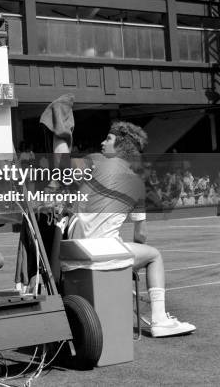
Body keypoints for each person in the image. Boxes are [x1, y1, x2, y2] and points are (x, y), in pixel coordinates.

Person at [68, 121, 196, 338]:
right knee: (154, 256)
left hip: (72, 253)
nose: (102, 141)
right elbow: (141, 235)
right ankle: (159, 319)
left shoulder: (93, 163)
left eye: (108, 138)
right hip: (102, 253)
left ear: (122, 145)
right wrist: (129, 265)